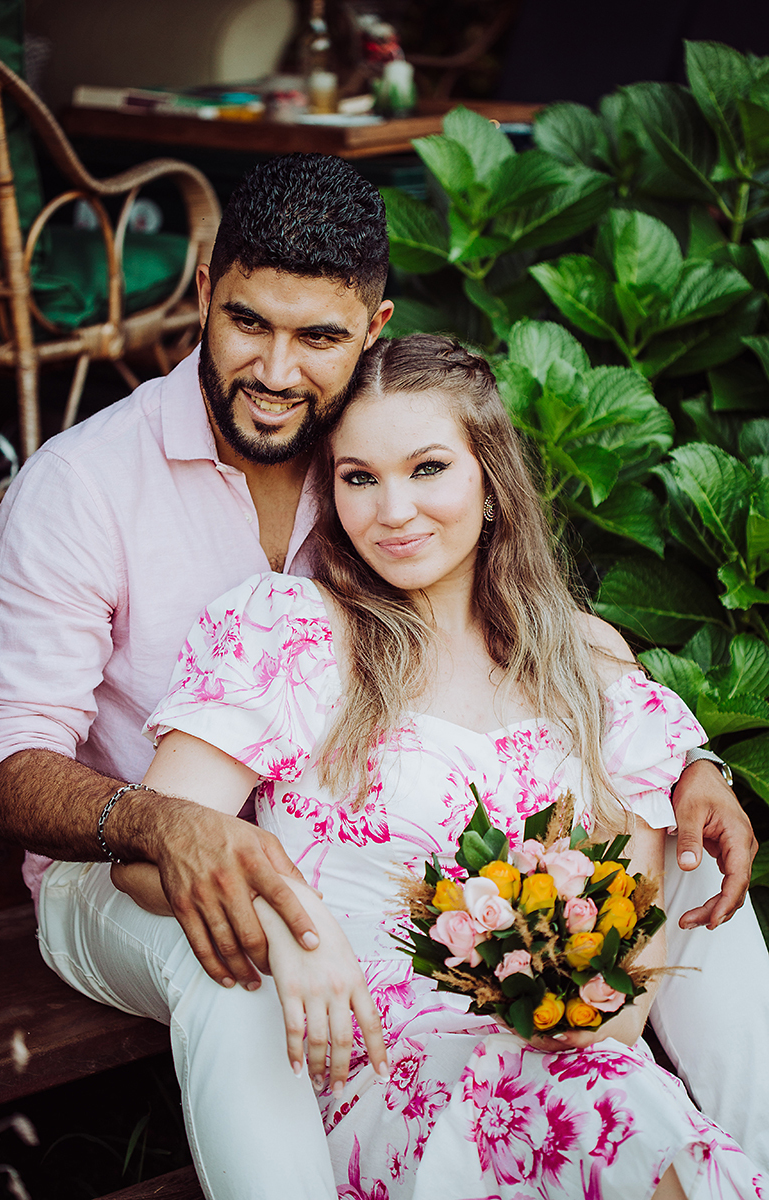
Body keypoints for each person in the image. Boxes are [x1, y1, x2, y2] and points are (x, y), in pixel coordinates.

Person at [0, 153, 764, 1191]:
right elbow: (3, 769)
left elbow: (515, 609)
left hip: (333, 852)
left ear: (371, 330)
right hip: (121, 858)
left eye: (318, 338)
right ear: (203, 292)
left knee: (692, 861)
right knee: (239, 944)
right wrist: (168, 826)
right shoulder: (83, 486)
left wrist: (688, 761)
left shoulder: (352, 432)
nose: (275, 371)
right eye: (247, 322)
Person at [116, 334, 767, 1199]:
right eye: (359, 477)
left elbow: (627, 956)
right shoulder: (291, 633)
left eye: (428, 469)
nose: (393, 511)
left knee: (624, 1110)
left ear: (490, 479)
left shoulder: (585, 656)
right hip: (380, 1072)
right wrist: (284, 920)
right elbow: (148, 852)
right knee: (622, 1122)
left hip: (570, 1063)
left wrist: (575, 1016)